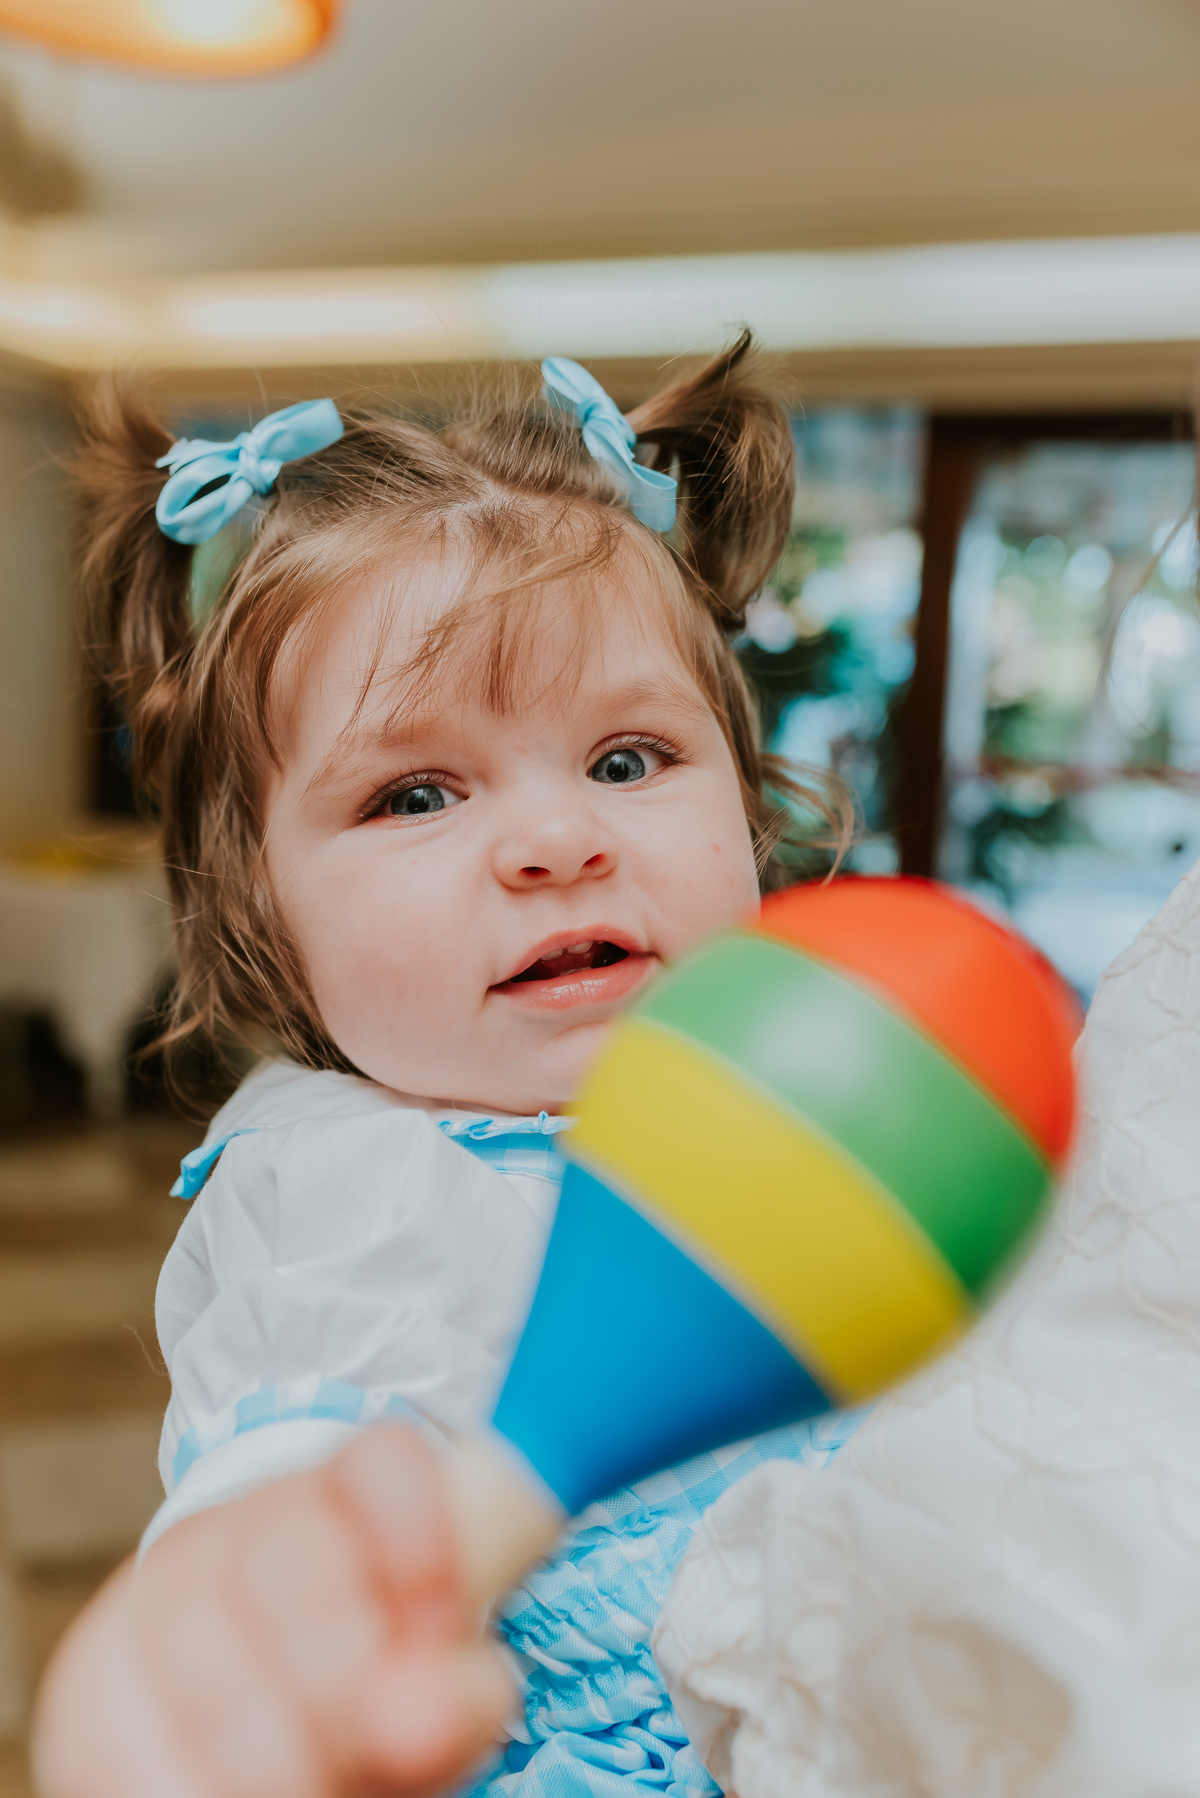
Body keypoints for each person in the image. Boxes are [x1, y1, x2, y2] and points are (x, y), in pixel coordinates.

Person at [33, 339, 856, 1798]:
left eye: (626, 760)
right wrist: (242, 1639)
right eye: (416, 792)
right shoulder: (362, 1176)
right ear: (257, 910)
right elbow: (306, 1476)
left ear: (749, 808)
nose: (557, 841)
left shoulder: (760, 1086)